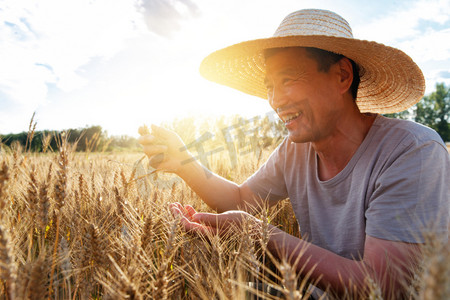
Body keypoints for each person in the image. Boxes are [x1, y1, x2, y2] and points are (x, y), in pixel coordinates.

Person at [139, 9, 449, 298]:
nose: (274, 100)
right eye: (270, 86)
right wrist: (183, 162)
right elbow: (240, 201)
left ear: (342, 75)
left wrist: (258, 233)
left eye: (287, 79)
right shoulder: (294, 151)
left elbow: (380, 288)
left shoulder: (412, 151)